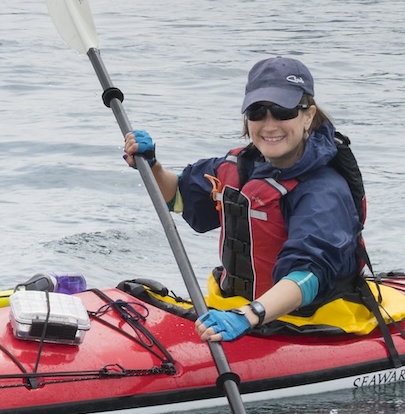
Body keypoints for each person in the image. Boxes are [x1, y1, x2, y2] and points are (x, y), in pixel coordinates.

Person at [122, 56, 367, 342]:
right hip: (240, 309)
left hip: (307, 318)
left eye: (282, 111)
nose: (269, 124)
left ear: (308, 115)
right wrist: (151, 166)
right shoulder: (241, 166)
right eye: (257, 112)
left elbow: (309, 276)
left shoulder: (323, 190)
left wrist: (248, 316)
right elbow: (178, 197)